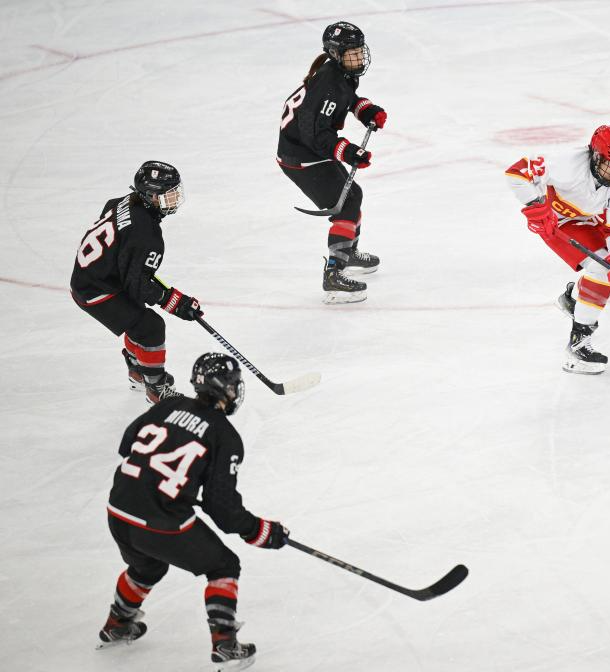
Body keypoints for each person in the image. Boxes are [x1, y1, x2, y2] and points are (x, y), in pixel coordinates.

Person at [97, 352, 289, 670]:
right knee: (223, 565)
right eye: (234, 384)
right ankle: (225, 645)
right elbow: (222, 509)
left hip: (118, 511)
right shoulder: (225, 436)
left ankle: (117, 623)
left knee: (147, 568)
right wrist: (259, 530)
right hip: (158, 522)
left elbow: (126, 445)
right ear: (225, 389)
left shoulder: (169, 405)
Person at [506, 125, 610, 374]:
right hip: (558, 222)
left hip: (590, 220)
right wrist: (535, 206)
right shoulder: (566, 163)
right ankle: (578, 347)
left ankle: (574, 299)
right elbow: (517, 172)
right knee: (603, 270)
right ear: (595, 156)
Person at [70, 161, 203, 403]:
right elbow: (139, 285)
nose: (175, 198)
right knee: (150, 327)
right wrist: (176, 303)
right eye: (168, 194)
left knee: (135, 315)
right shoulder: (146, 234)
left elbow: (132, 270)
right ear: (150, 196)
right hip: (95, 289)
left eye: (175, 191)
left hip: (96, 276)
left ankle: (138, 371)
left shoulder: (124, 202)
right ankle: (155, 388)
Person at [278, 20, 387, 304]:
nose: (359, 57)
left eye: (360, 51)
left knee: (353, 196)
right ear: (336, 53)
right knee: (348, 201)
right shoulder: (328, 83)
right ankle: (334, 273)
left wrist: (365, 110)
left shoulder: (340, 74)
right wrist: (348, 152)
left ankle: (347, 252)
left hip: (307, 150)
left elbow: (347, 99)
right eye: (353, 52)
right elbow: (315, 135)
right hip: (300, 156)